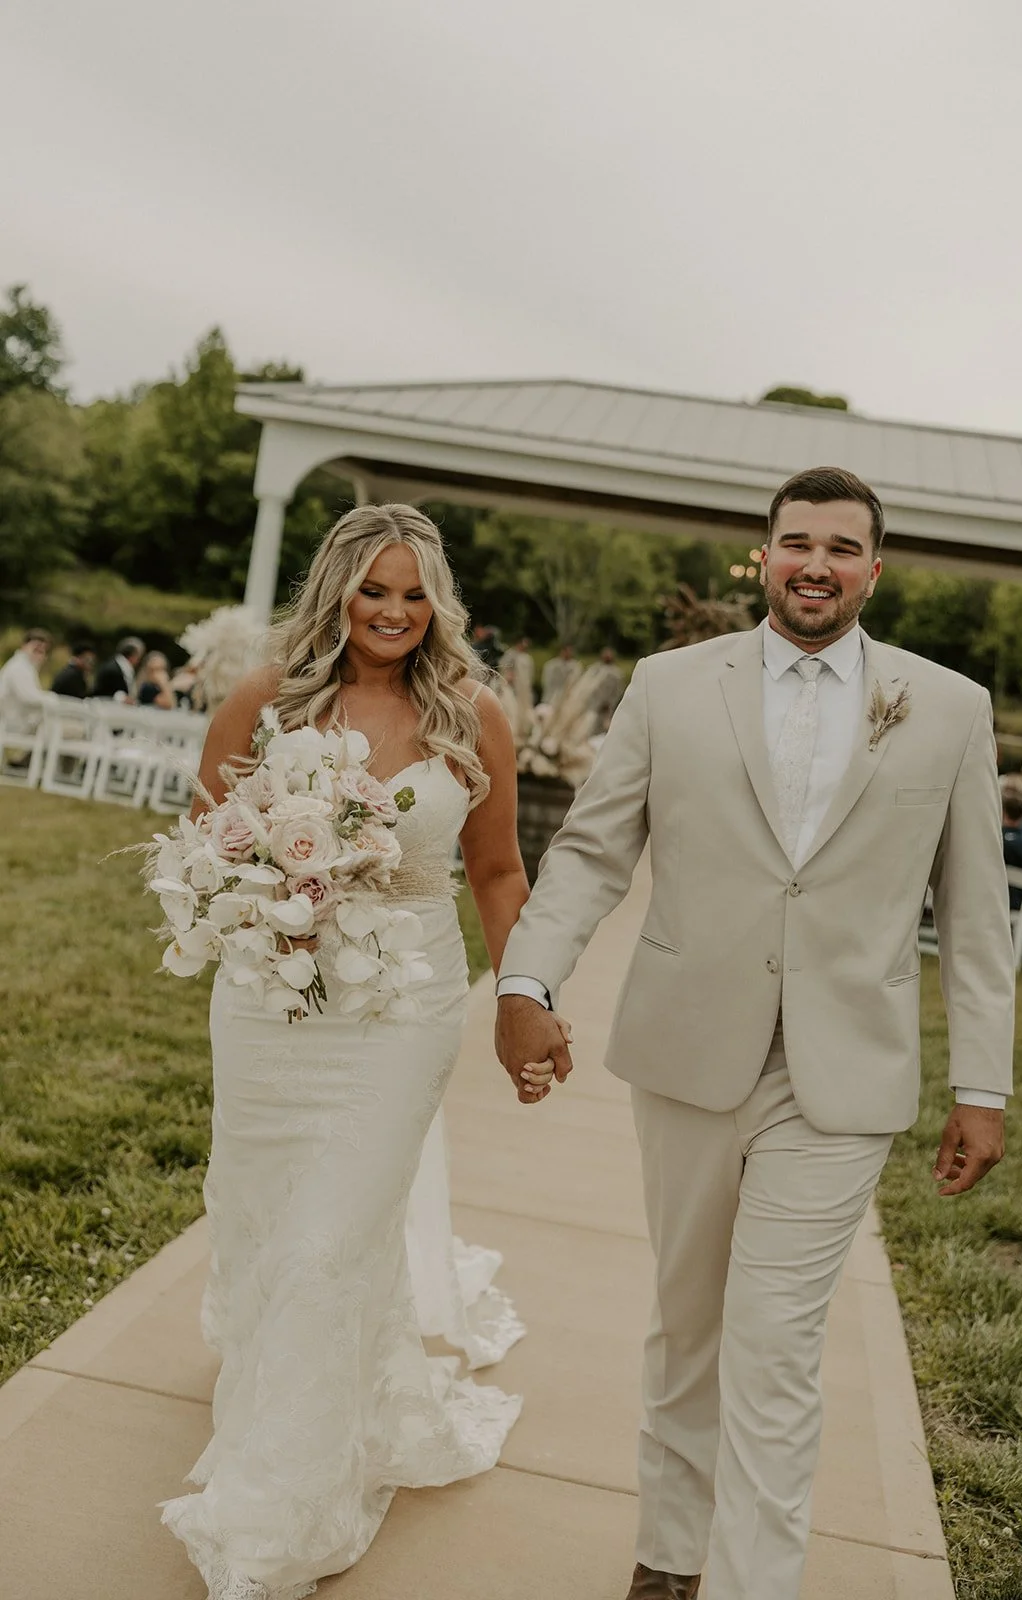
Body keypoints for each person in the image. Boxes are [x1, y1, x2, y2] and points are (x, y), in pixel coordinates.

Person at [495, 466, 1013, 1600]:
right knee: (689, 1329)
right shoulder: (670, 686)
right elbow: (590, 852)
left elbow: (976, 915)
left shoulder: (951, 707)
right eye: (796, 542)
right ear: (762, 557)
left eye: (840, 546)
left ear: (874, 569)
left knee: (774, 1349)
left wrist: (986, 1083)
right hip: (687, 1053)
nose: (815, 563)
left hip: (843, 1077)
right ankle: (669, 1560)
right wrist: (527, 979)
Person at [161, 504, 568, 1600]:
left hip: (404, 1008)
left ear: (438, 602)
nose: (393, 612)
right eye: (373, 589)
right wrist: (262, 894)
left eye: (414, 592)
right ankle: (274, 1387)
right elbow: (208, 839)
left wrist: (521, 996)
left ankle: (278, 1508)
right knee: (265, 1210)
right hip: (267, 1003)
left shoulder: (472, 715)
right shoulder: (268, 698)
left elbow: (495, 872)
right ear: (336, 590)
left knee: (336, 1233)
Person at [0, 628, 52, 733]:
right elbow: (29, 698)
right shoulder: (19, 667)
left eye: (42, 651)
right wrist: (52, 699)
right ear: (24, 646)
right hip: (14, 723)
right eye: (36, 648)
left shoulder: (27, 667)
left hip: (19, 721)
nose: (39, 652)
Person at [582, 645, 627, 733]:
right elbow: (587, 687)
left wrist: (610, 702)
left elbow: (618, 691)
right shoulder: (594, 670)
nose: (607, 656)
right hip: (593, 706)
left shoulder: (617, 673)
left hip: (608, 708)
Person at [92, 635, 145, 702]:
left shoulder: (116, 665)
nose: (138, 660)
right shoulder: (113, 669)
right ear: (133, 655)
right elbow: (106, 692)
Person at [498, 634, 535, 714]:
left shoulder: (527, 657)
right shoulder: (510, 654)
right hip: (513, 686)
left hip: (524, 687)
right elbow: (504, 667)